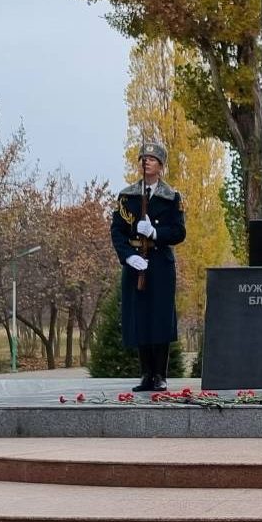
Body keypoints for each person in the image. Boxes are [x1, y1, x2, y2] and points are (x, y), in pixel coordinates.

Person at [110, 141, 187, 391]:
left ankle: (160, 375)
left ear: (161, 166)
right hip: (136, 263)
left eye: (152, 158)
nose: (147, 161)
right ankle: (146, 374)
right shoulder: (127, 196)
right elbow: (117, 231)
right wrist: (128, 256)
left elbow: (178, 232)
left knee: (160, 318)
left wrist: (155, 233)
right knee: (140, 317)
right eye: (144, 158)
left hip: (160, 265)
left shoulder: (171, 197)